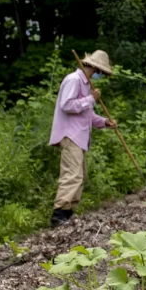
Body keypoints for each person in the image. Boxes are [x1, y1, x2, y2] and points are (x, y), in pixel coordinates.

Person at [49, 50, 116, 227]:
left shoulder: (86, 85)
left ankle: (69, 213)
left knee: (80, 175)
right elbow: (67, 105)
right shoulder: (74, 80)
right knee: (72, 175)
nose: (99, 75)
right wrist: (91, 99)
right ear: (94, 68)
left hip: (79, 136)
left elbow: (87, 114)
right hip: (70, 134)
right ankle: (59, 215)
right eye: (99, 72)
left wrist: (105, 123)